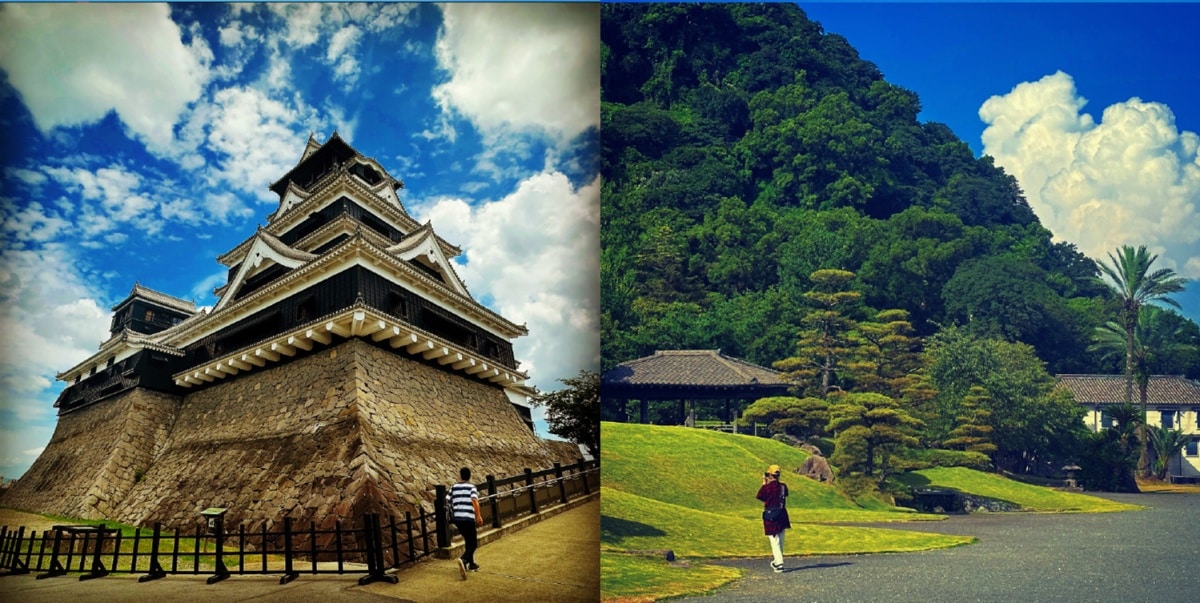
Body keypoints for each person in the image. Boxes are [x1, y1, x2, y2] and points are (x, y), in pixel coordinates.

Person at [447, 466, 485, 579]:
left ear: (460, 475)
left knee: (468, 540)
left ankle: (472, 564)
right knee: (473, 543)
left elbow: (447, 500)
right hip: (468, 518)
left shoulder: (454, 487)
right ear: (469, 476)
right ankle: (463, 560)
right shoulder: (471, 487)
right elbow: (474, 500)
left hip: (458, 519)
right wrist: (478, 516)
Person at [756, 464, 790, 573]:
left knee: (774, 541)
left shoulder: (767, 488)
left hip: (771, 516)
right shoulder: (783, 487)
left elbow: (760, 496)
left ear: (769, 475)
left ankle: (779, 563)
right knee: (780, 540)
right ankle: (777, 561)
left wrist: (764, 483)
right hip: (782, 514)